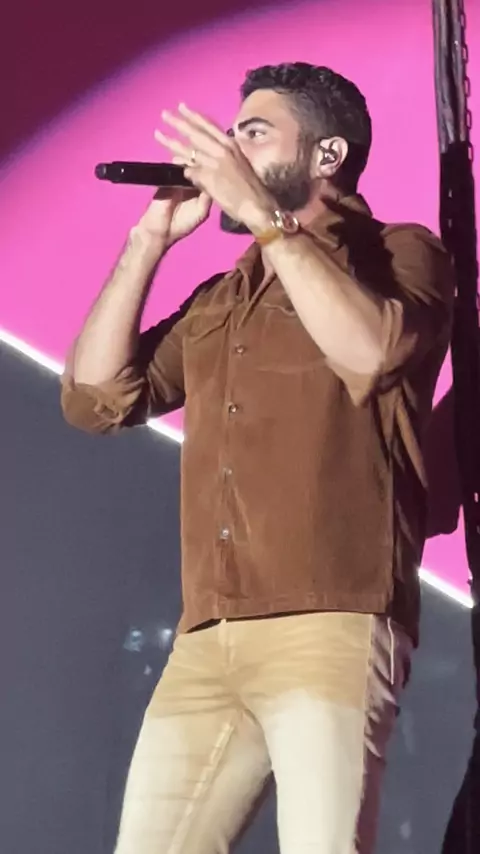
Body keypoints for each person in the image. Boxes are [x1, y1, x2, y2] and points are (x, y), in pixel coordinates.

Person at [61, 62, 454, 854]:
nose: (228, 149)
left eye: (254, 132)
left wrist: (265, 218)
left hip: (330, 619)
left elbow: (369, 354)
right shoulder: (223, 297)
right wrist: (147, 243)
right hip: (210, 633)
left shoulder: (397, 254)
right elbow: (96, 399)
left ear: (327, 154)